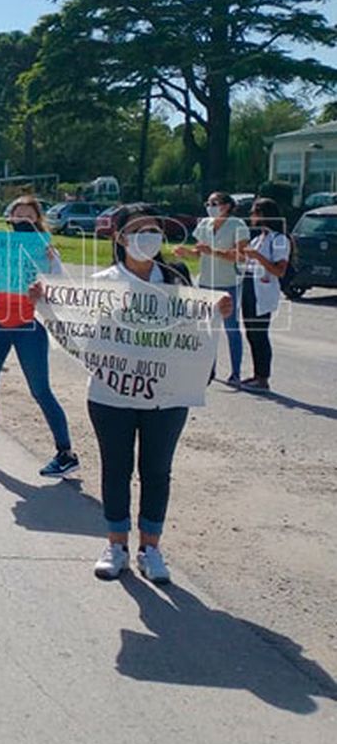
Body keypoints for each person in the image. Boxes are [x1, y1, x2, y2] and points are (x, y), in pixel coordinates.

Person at [88, 204, 233, 583]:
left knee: (157, 471)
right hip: (112, 395)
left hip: (166, 395)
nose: (147, 235)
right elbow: (84, 333)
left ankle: (150, 548)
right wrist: (45, 300)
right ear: (118, 237)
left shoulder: (175, 276)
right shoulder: (102, 281)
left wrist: (217, 308)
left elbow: (194, 327)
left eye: (153, 228)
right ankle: (116, 545)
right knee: (115, 469)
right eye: (137, 229)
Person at [0, 195, 78, 477]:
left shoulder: (46, 251)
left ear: (37, 220)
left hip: (28, 324)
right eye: (17, 215)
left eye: (29, 216)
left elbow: (63, 290)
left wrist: (48, 280)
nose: (23, 220)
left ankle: (65, 452)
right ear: (9, 219)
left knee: (40, 389)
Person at [175, 190, 249, 384]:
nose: (210, 207)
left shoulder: (237, 225)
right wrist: (186, 253)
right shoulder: (204, 224)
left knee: (231, 328)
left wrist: (214, 252)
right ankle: (209, 368)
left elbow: (241, 255)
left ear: (226, 206)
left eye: (214, 203)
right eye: (208, 203)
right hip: (206, 283)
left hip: (228, 284)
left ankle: (235, 373)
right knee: (208, 328)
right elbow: (199, 253)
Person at [235, 197, 290, 392]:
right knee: (251, 333)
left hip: (263, 291)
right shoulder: (258, 238)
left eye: (254, 213)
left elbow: (279, 270)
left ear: (264, 215)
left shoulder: (279, 239)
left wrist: (257, 257)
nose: (251, 216)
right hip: (250, 287)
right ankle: (257, 374)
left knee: (260, 334)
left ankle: (263, 377)